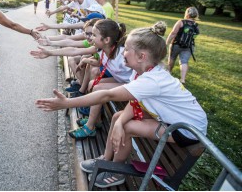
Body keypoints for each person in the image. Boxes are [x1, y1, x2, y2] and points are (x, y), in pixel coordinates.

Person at [35, 21, 207, 188]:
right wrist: (118, 121)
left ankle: (116, 172)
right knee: (119, 117)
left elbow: (107, 95)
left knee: (127, 126)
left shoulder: (152, 80)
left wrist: (67, 103)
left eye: (128, 50)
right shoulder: (140, 72)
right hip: (173, 120)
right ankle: (105, 160)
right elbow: (134, 102)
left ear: (141, 56)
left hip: (187, 130)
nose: (123, 52)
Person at [166, 7, 200, 84]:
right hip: (188, 46)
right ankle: (183, 79)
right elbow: (195, 35)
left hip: (176, 44)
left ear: (187, 13)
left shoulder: (181, 22)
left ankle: (169, 73)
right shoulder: (196, 24)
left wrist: (167, 42)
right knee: (184, 61)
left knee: (172, 58)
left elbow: (173, 33)